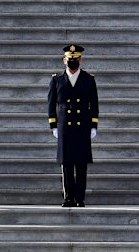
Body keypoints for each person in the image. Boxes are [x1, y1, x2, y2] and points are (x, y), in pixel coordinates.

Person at [48, 44, 99, 207]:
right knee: (67, 163)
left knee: (81, 164)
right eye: (70, 60)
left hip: (82, 124)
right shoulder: (56, 79)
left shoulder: (89, 79)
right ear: (64, 60)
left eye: (75, 60)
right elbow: (51, 104)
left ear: (81, 60)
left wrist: (93, 125)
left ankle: (80, 198)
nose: (72, 62)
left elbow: (94, 104)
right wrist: (53, 125)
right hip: (64, 126)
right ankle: (68, 197)